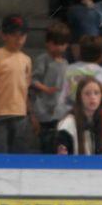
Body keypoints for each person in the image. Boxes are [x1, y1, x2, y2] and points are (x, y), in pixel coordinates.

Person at [0, 14, 32, 154]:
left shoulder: (26, 60)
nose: (19, 39)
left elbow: (25, 87)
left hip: (20, 112)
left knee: (19, 148)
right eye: (14, 35)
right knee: (0, 147)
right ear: (4, 35)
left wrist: (29, 112)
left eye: (22, 35)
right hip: (1, 111)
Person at [31, 22, 70, 154]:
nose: (59, 47)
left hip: (59, 111)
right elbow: (33, 80)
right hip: (43, 110)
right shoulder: (43, 60)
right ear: (48, 43)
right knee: (45, 141)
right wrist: (46, 89)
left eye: (63, 44)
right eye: (56, 43)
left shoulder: (65, 63)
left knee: (59, 141)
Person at [56, 76, 102, 154]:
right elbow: (62, 160)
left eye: (96, 93)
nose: (93, 97)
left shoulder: (96, 119)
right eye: (87, 94)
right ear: (80, 97)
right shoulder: (68, 124)